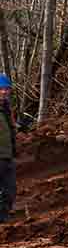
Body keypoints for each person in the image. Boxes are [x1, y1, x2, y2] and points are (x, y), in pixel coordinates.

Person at [0, 74, 14, 223]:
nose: (4, 92)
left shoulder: (6, 109)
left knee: (10, 192)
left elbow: (8, 132)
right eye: (1, 89)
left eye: (6, 89)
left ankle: (3, 221)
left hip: (7, 156)